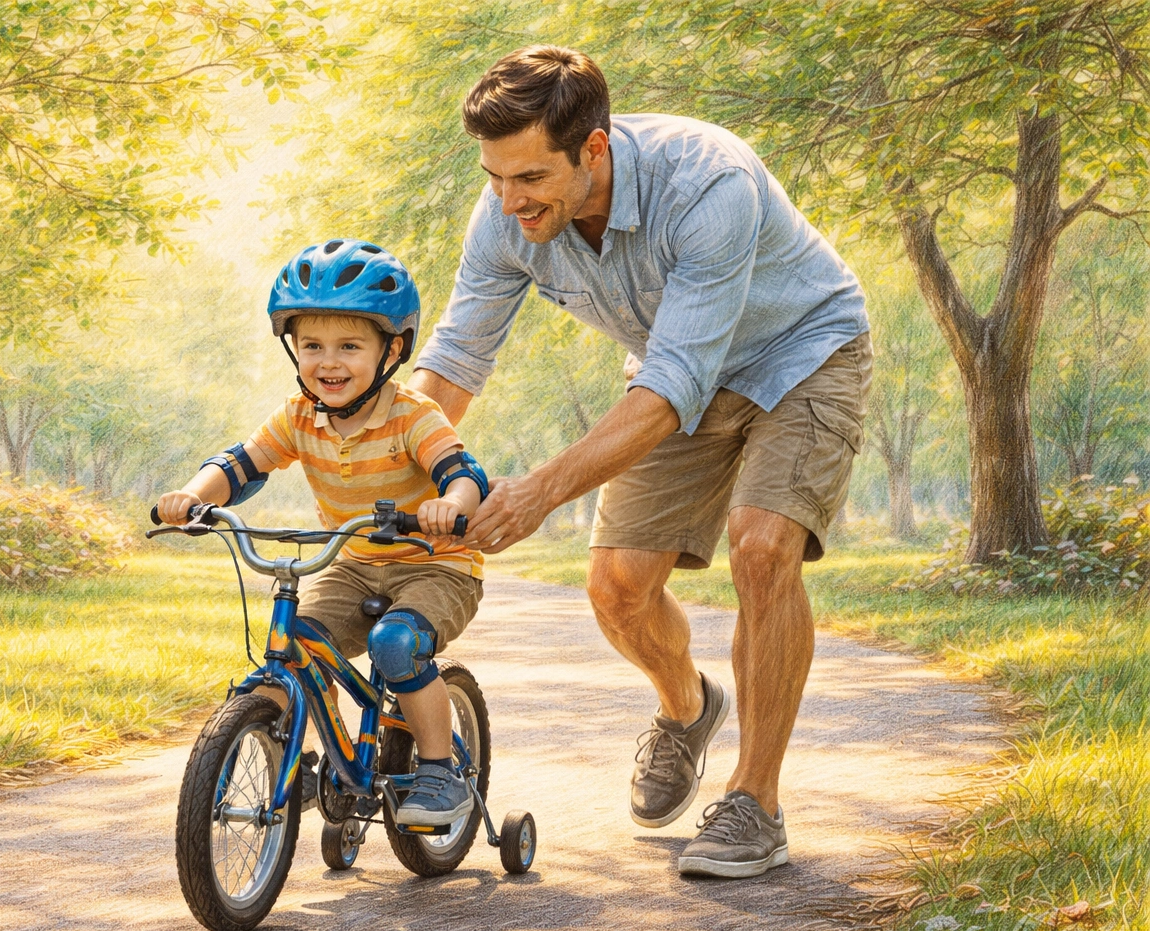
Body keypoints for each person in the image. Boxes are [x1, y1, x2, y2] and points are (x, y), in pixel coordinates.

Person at [410, 46, 873, 878]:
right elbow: (454, 358)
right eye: (494, 177)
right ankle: (686, 710)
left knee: (763, 548)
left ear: (594, 148)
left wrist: (537, 494)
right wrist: (386, 463)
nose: (510, 201)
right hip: (670, 369)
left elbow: (673, 387)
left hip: (802, 355)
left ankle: (754, 804)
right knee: (619, 588)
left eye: (529, 179)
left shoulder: (707, 184)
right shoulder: (507, 215)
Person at [157, 239, 490, 827]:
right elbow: (240, 464)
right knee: (299, 644)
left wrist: (450, 504)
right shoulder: (298, 416)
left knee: (396, 645)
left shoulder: (413, 414)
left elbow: (462, 473)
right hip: (352, 560)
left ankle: (441, 770)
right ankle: (313, 757)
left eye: (349, 346)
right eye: (312, 345)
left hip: (436, 563)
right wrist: (191, 497)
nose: (328, 362)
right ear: (294, 350)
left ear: (392, 350)